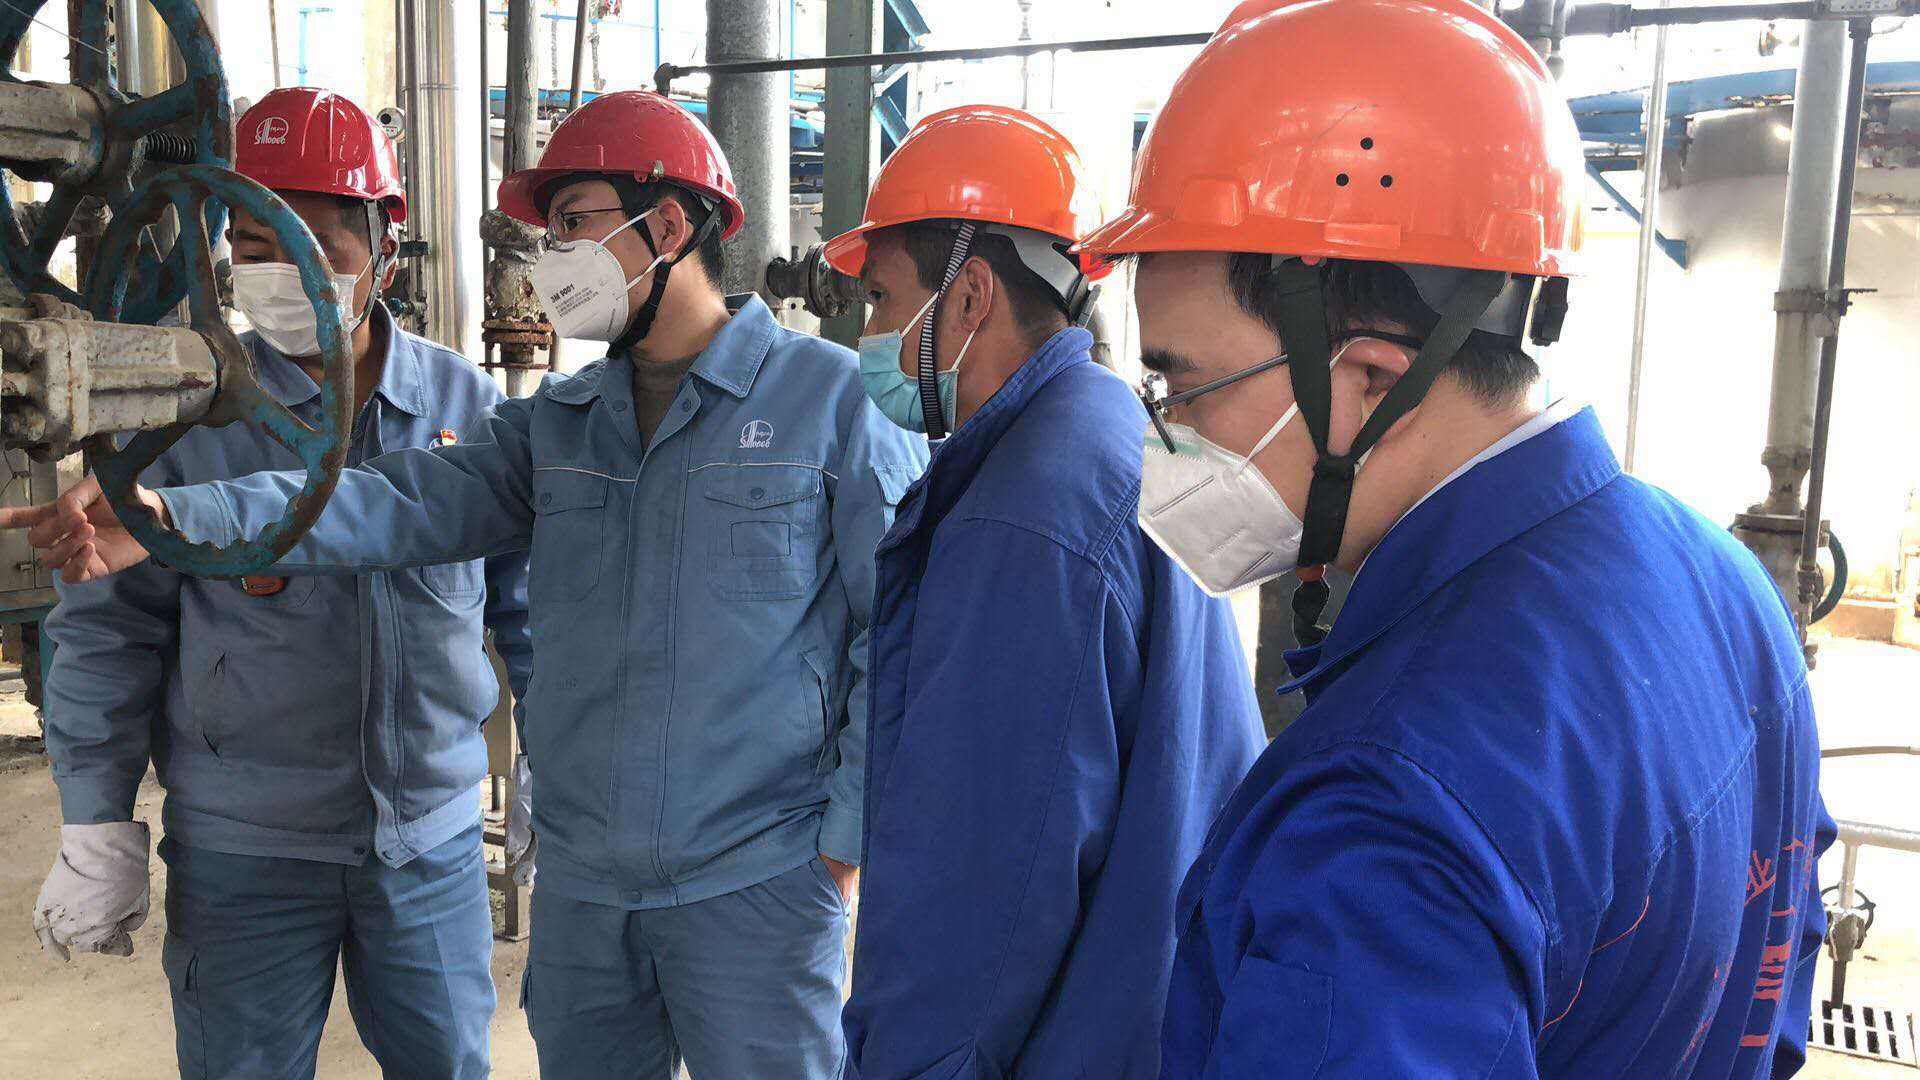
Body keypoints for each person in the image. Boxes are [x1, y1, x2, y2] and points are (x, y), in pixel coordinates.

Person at [9, 89, 927, 1080]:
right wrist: (172, 517)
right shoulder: (559, 424)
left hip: (755, 876)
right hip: (585, 888)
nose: (551, 259)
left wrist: (845, 840)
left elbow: (902, 640)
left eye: (571, 224)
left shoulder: (831, 404)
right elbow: (387, 499)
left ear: (667, 228)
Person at [1075, 0, 1833, 1075]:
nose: (1165, 434)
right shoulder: (1721, 581)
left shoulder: (1378, 824)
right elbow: (1776, 974)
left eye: (1182, 387)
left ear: (1371, 378)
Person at [28, 88, 531, 1080]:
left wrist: (557, 772)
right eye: (254, 243)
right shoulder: (180, 420)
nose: (278, 271)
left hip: (426, 845)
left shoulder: (467, 407)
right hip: (245, 850)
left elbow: (533, 613)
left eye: (311, 245)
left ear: (385, 248)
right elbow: (107, 633)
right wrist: (95, 816)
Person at [827, 105, 1265, 1078]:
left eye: (882, 298)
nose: (870, 333)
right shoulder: (1112, 428)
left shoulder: (1022, 516)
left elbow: (978, 897)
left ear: (970, 295)